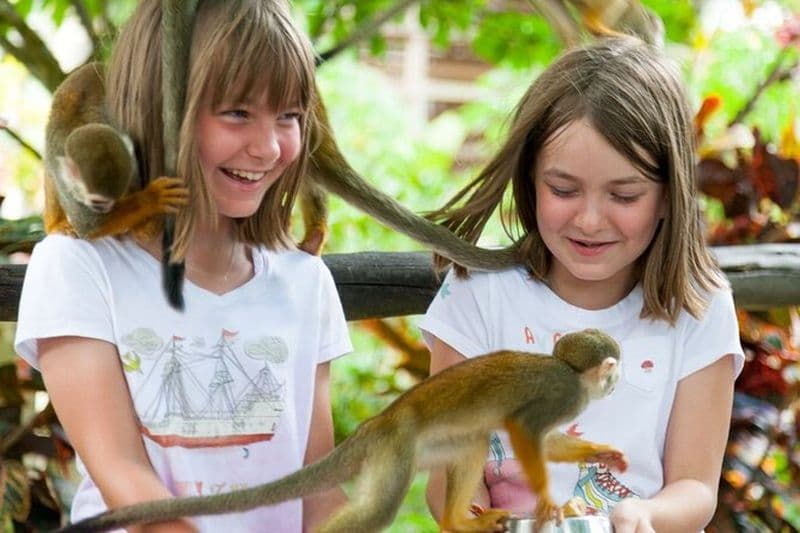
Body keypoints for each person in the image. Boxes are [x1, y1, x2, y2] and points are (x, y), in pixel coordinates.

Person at [14, 1, 352, 531]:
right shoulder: (78, 267)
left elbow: (319, 487)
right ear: (158, 113)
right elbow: (123, 474)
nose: (267, 146)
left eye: (289, 116)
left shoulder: (304, 281)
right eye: (237, 112)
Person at [420, 36, 744, 533]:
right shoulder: (477, 296)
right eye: (563, 189)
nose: (590, 220)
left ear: (666, 195)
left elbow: (695, 487)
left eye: (624, 194)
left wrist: (644, 516)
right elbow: (449, 476)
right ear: (530, 181)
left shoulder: (699, 307)